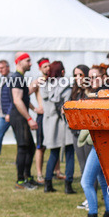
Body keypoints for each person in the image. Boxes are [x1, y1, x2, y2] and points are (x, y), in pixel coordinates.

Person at [77, 66, 109, 217]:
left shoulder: (104, 95)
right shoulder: (103, 93)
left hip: (100, 143)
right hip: (101, 143)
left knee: (86, 181)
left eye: (95, 77)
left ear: (104, 77)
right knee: (103, 181)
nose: (91, 80)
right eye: (90, 78)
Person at [39, 61, 75, 194]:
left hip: (50, 123)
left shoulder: (45, 85)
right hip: (64, 123)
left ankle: (47, 183)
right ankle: (68, 185)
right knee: (70, 154)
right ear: (62, 71)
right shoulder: (67, 85)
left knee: (53, 154)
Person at [8, 53, 39, 190]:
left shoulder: (20, 78)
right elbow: (17, 100)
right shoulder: (16, 78)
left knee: (30, 147)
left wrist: (34, 109)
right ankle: (20, 181)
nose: (30, 63)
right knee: (23, 147)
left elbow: (24, 97)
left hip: (22, 116)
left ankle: (28, 177)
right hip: (19, 117)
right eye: (28, 61)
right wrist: (29, 118)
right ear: (19, 62)